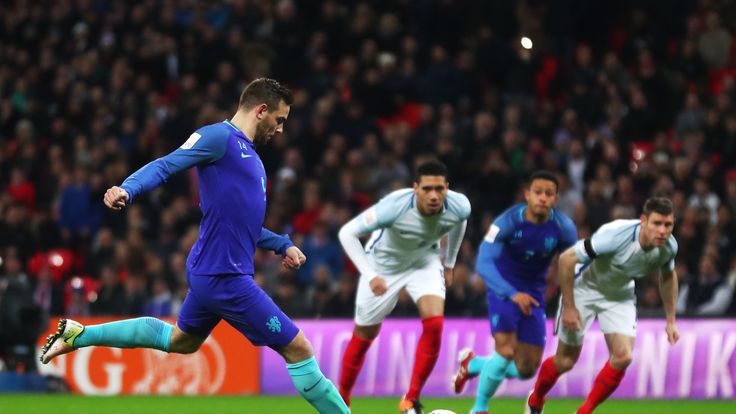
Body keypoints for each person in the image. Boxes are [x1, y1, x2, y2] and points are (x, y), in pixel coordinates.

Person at [39, 78, 350, 414]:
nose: (281, 130)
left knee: (181, 341)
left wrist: (280, 244)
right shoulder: (218, 138)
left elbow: (242, 225)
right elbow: (167, 163)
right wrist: (128, 188)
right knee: (299, 348)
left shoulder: (254, 160)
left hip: (213, 271)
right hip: (224, 276)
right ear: (261, 111)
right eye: (280, 120)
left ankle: (78, 335)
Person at [337, 160, 471, 414]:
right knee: (365, 335)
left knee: (435, 325)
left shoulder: (459, 205)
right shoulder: (394, 206)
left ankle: (411, 398)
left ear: (447, 188)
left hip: (424, 261)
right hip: (383, 265)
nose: (434, 195)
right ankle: (341, 399)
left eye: (439, 189)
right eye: (427, 189)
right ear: (415, 188)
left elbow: (460, 221)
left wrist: (450, 263)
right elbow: (347, 233)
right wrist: (370, 274)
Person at [525, 197, 680, 414]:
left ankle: (584, 411)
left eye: (668, 225)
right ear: (643, 221)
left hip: (620, 295)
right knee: (566, 361)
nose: (663, 231)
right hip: (584, 290)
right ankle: (537, 398)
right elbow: (566, 260)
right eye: (657, 223)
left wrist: (671, 320)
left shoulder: (669, 247)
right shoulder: (616, 235)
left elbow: (667, 277)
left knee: (623, 356)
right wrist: (569, 307)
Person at [451, 171, 577, 414]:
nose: (543, 198)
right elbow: (484, 264)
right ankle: (479, 408)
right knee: (506, 350)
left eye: (548, 194)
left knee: (526, 368)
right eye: (538, 192)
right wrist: (511, 293)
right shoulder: (507, 222)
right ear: (527, 194)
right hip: (503, 288)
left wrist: (569, 300)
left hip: (535, 294)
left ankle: (474, 364)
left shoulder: (564, 229)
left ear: (556, 199)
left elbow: (572, 264)